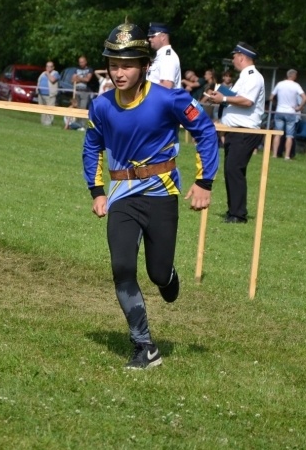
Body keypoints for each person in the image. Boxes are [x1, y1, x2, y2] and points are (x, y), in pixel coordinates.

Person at [82, 21, 218, 369]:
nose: (119, 72)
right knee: (122, 267)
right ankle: (144, 345)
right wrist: (96, 191)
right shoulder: (100, 106)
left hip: (162, 195)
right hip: (122, 196)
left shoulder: (169, 98)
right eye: (113, 64)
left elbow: (204, 129)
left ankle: (168, 277)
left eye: (127, 64)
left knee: (157, 274)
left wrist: (205, 182)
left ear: (145, 66)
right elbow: (92, 145)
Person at [203, 42, 265, 223]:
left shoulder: (253, 76)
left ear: (242, 56)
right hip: (236, 131)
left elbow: (247, 101)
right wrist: (221, 99)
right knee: (231, 170)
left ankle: (238, 214)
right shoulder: (244, 77)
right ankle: (234, 212)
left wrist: (224, 97)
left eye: (234, 56)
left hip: (245, 131)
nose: (233, 59)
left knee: (234, 170)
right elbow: (236, 100)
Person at [270, 69, 306, 160]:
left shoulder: (280, 84)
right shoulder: (296, 85)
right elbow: (305, 98)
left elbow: (271, 97)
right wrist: (299, 107)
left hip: (279, 111)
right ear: (294, 76)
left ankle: (274, 154)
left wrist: (277, 104)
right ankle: (287, 156)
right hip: (290, 112)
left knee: (277, 134)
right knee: (289, 135)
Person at [146, 22, 181, 89]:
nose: (149, 39)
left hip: (161, 99)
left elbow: (166, 86)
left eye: (152, 36)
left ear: (163, 37)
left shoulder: (167, 57)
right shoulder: (161, 56)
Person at [35, 61, 59, 126]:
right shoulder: (43, 74)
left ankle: (48, 123)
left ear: (53, 67)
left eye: (50, 66)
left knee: (50, 110)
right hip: (41, 95)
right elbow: (39, 81)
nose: (48, 68)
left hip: (50, 95)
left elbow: (53, 80)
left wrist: (48, 74)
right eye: (47, 66)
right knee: (42, 109)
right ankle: (43, 123)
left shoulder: (55, 73)